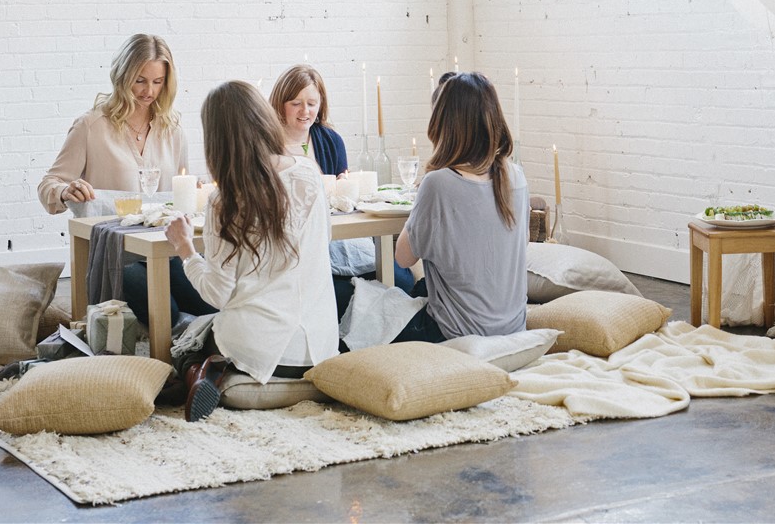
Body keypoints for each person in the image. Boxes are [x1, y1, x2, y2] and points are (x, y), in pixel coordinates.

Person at [165, 80, 339, 421]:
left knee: (189, 339)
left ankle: (198, 373)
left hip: (260, 350)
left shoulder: (224, 201)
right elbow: (325, 241)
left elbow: (217, 293)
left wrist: (185, 248)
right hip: (318, 349)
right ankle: (208, 372)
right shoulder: (309, 173)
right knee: (207, 326)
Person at [37, 34, 215, 326]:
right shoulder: (91, 126)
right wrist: (66, 190)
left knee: (210, 304)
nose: (148, 91)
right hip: (117, 255)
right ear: (122, 77)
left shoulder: (173, 130)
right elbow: (48, 184)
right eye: (140, 80)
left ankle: (196, 347)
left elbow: (181, 194)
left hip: (165, 250)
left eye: (158, 82)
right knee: (165, 314)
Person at [392, 71, 528, 343]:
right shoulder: (516, 176)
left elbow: (403, 258)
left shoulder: (437, 184)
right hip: (513, 332)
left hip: (453, 334)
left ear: (443, 121)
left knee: (360, 303)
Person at [268, 64, 414, 316]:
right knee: (338, 295)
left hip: (342, 237)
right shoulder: (266, 144)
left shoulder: (330, 140)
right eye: (296, 103)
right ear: (280, 103)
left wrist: (345, 188)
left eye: (312, 103)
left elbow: (343, 197)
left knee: (402, 281)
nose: (305, 111)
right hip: (300, 247)